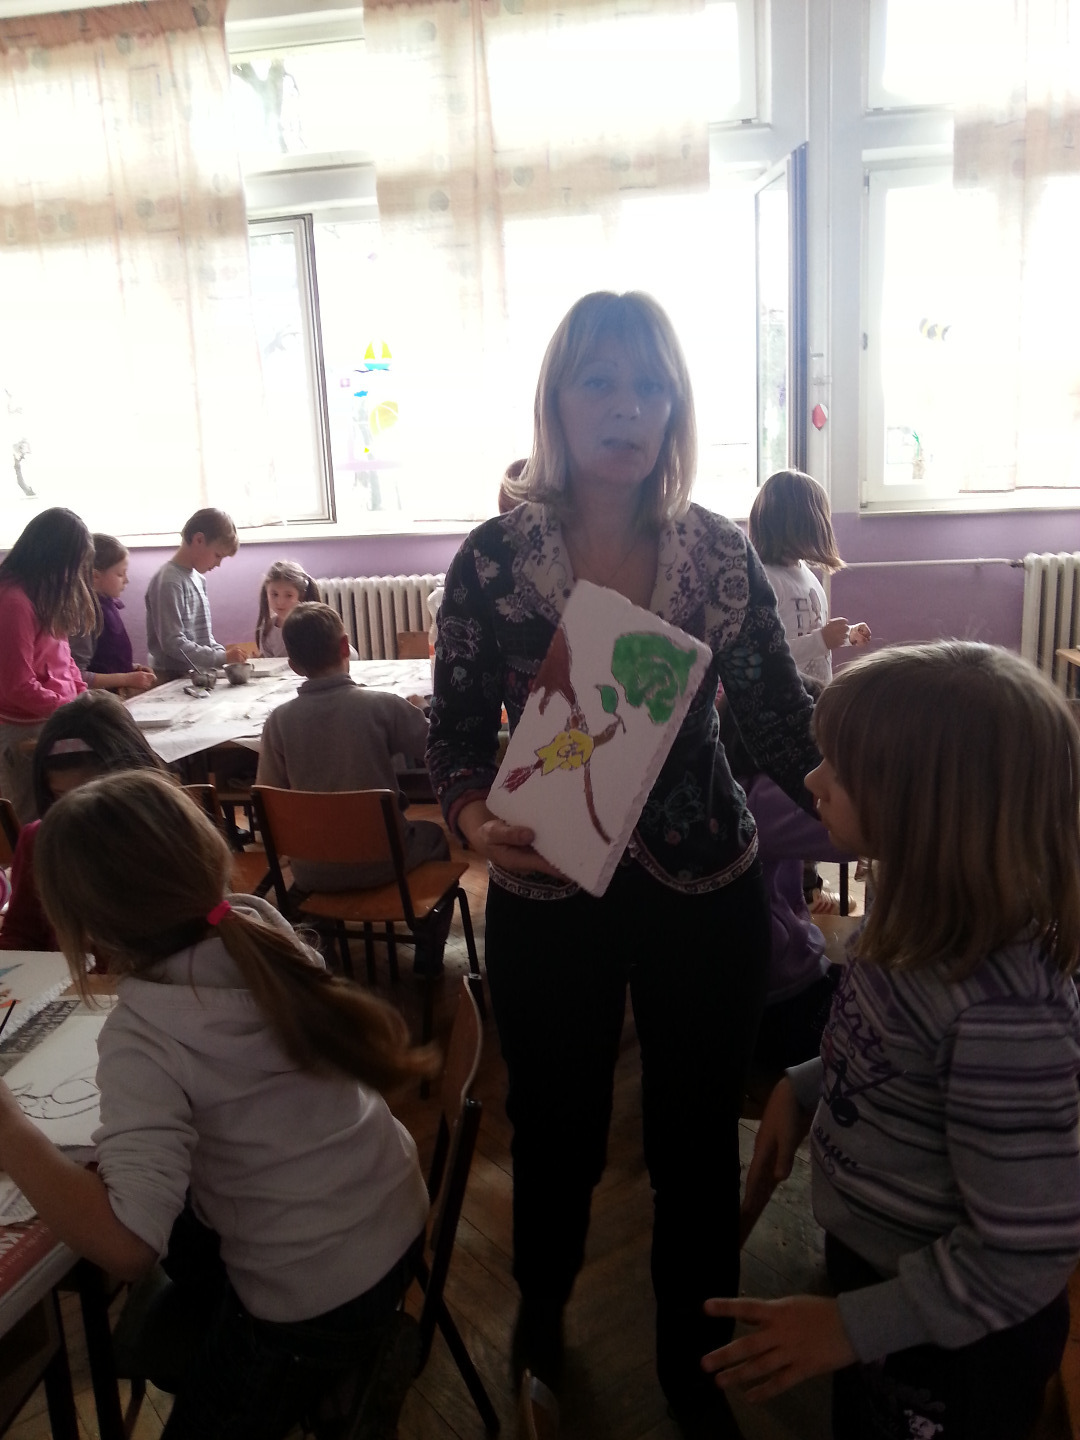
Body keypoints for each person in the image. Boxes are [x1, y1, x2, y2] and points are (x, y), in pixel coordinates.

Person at [426, 290, 820, 1440]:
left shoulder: (719, 552)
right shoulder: (495, 561)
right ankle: (543, 1312)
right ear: (555, 401)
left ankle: (693, 1373)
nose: (628, 408)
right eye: (599, 381)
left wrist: (889, 811)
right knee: (555, 1129)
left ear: (676, 407)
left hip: (707, 886)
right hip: (548, 883)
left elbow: (779, 724)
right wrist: (470, 815)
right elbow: (456, 732)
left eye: (651, 386)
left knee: (695, 1146)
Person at [703, 642, 1080, 1440]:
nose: (812, 780)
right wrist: (804, 1086)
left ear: (928, 809)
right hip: (881, 1277)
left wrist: (851, 1328)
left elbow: (1023, 1257)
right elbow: (887, 1060)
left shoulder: (1003, 1015)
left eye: (839, 769)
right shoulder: (907, 924)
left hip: (959, 1343)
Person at [1, 769, 437, 1440]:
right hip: (396, 1222)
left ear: (85, 930)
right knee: (189, 1226)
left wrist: (8, 1127)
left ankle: (328, 1383)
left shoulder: (144, 1037)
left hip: (316, 1295)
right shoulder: (254, 923)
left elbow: (126, 1248)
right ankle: (334, 1381)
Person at [256, 602, 451, 965]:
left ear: (293, 665)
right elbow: (436, 748)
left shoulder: (277, 722)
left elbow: (269, 797)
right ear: (345, 647)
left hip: (311, 870)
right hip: (385, 861)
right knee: (436, 837)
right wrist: (418, 709)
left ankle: (321, 938)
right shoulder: (381, 706)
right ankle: (428, 956)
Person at [0, 690, 167, 953]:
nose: (76, 812)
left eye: (93, 794)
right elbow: (20, 934)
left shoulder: (164, 839)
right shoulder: (39, 841)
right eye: (60, 796)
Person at [0, 507, 96, 822]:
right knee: (33, 819)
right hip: (23, 730)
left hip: (54, 718)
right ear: (52, 558)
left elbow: (63, 659)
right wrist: (68, 707)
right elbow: (17, 686)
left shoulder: (45, 593)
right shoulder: (13, 601)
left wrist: (81, 694)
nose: (74, 575)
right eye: (72, 564)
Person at [747, 469, 870, 687]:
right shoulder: (767, 581)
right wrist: (821, 640)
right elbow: (763, 653)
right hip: (782, 698)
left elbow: (809, 633)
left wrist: (846, 635)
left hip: (813, 695)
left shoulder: (805, 574)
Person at [145, 507, 247, 681]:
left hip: (197, 675)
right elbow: (173, 643)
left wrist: (221, 652)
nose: (218, 564)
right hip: (171, 677)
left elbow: (204, 638)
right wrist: (222, 657)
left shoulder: (199, 580)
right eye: (217, 555)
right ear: (198, 540)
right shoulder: (169, 581)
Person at [69, 534, 156, 694]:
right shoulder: (85, 615)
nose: (126, 580)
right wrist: (126, 679)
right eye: (120, 574)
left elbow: (105, 659)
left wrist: (130, 668)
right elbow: (77, 675)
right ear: (95, 576)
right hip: (97, 700)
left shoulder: (108, 605)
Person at [254, 559, 320, 658]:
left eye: (288, 595)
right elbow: (269, 661)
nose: (280, 602)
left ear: (301, 595)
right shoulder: (267, 628)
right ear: (266, 593)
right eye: (274, 594)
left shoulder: (310, 625)